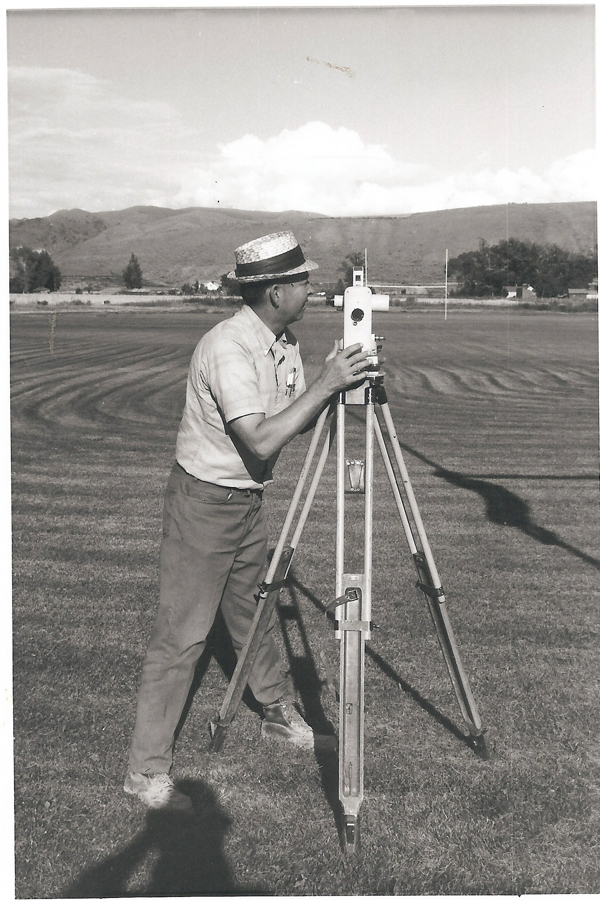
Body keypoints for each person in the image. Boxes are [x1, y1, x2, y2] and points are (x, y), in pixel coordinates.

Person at [124, 231, 370, 813]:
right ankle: (144, 771)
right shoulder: (229, 346)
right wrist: (326, 386)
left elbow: (289, 420)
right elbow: (259, 438)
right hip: (204, 502)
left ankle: (278, 714)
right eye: (304, 281)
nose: (313, 289)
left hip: (245, 501)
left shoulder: (281, 341)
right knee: (183, 635)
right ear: (277, 291)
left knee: (252, 614)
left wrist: (335, 387)